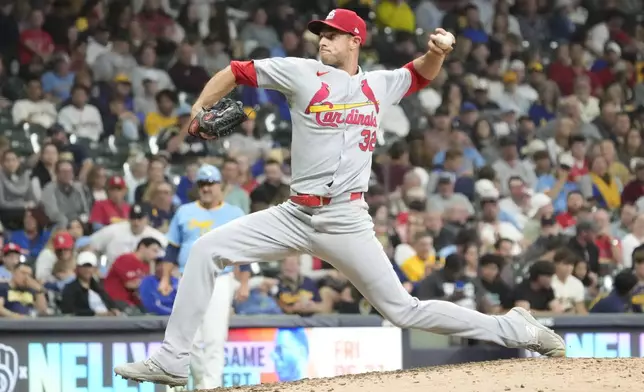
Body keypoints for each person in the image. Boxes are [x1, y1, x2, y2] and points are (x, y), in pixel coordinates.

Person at [114, 9, 565, 387]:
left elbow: (418, 76)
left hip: (347, 218)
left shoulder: (378, 85)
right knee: (207, 249)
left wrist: (436, 52)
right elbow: (236, 71)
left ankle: (514, 327)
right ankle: (173, 359)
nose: (322, 40)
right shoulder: (300, 71)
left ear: (355, 41)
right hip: (294, 213)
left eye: (331, 34)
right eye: (320, 34)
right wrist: (198, 108)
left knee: (402, 309)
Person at [157, 164, 250, 389]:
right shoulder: (184, 211)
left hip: (220, 278)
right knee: (190, 339)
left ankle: (210, 387)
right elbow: (172, 249)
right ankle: (201, 383)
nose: (206, 188)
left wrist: (244, 282)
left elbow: (244, 251)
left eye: (210, 183)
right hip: (188, 278)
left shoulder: (234, 213)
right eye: (202, 184)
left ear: (220, 185)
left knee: (215, 338)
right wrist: (165, 278)